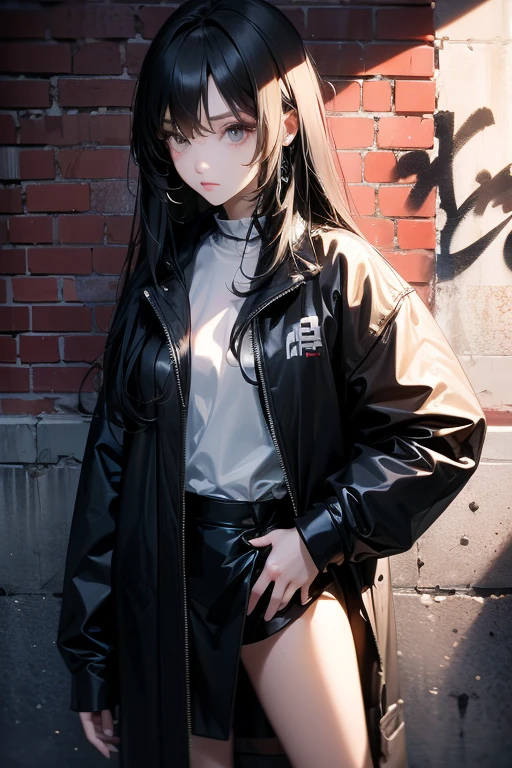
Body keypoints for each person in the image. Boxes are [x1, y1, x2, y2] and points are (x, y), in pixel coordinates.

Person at [56, 1, 487, 767]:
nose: (204, 161)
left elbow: (442, 428)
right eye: (180, 135)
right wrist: (91, 661)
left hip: (279, 567)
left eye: (231, 128)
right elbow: (109, 471)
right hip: (168, 576)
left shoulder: (338, 272)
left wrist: (317, 540)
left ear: (287, 123)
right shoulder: (161, 281)